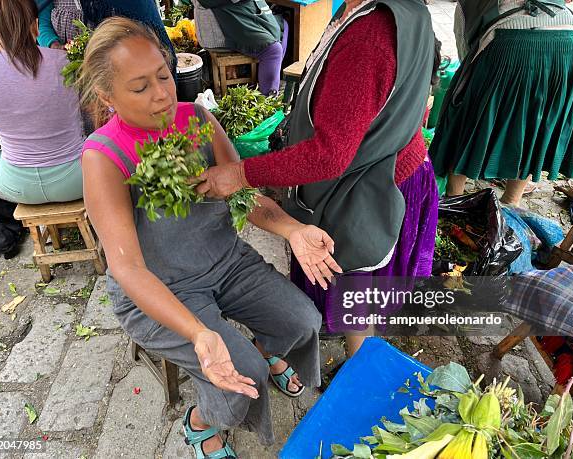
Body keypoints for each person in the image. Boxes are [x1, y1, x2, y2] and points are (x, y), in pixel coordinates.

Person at [79, 17, 341, 457]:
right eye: (140, 87)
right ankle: (201, 421)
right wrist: (200, 334)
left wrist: (293, 230)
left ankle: (260, 350)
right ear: (108, 97)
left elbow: (244, 196)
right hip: (161, 288)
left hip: (226, 261)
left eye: (163, 75)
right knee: (242, 374)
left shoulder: (198, 118)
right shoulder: (104, 157)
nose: (162, 93)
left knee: (303, 320)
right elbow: (127, 267)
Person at [195, 0, 439, 356]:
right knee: (358, 296)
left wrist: (241, 173)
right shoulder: (398, 8)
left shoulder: (367, 38)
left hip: (371, 190)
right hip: (393, 168)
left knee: (357, 298)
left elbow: (329, 156)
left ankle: (361, 378)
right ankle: (359, 362)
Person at [430, 0, 573, 207]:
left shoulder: (468, 5)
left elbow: (467, 57)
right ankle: (511, 201)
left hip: (509, 42)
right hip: (567, 43)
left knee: (467, 116)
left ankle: (454, 199)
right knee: (536, 123)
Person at [0, 0, 84, 204]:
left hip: (15, 186)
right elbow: (90, 114)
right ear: (36, 25)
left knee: (4, 154)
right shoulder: (65, 62)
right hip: (77, 180)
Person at [34, 0, 176, 64]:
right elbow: (42, 24)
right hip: (67, 70)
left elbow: (143, 22)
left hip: (117, 66)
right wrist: (54, 45)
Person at [195, 0, 287, 95]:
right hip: (222, 25)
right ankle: (268, 97)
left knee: (283, 26)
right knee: (273, 50)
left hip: (236, 13)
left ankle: (267, 82)